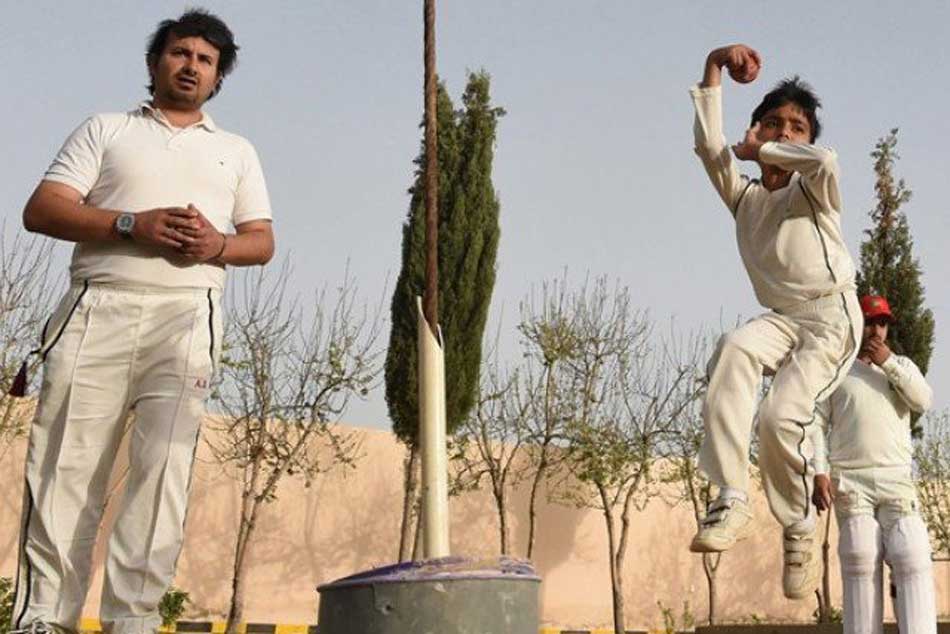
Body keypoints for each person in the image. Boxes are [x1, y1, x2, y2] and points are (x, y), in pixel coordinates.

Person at [9, 9, 274, 634]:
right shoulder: (106, 128)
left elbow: (261, 241)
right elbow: (42, 209)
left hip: (187, 317)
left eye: (205, 60)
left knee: (162, 472)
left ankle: (134, 619)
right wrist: (133, 223)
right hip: (99, 304)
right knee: (66, 464)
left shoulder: (235, 151)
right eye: (180, 53)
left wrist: (216, 244)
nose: (191, 66)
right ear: (155, 62)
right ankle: (44, 617)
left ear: (218, 78)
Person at [688, 43, 862, 600]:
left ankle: (799, 527)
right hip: (782, 319)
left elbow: (825, 161)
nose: (785, 132)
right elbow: (708, 146)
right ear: (755, 127)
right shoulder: (744, 198)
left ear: (804, 142)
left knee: (780, 416)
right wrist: (715, 62)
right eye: (773, 123)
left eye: (797, 128)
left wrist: (766, 148)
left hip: (832, 321)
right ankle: (731, 496)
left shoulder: (814, 189)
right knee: (734, 347)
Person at [812, 295, 937, 634]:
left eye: (882, 323)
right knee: (859, 551)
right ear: (857, 323)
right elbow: (815, 423)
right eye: (870, 322)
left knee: (911, 552)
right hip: (851, 480)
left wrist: (889, 363)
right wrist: (819, 471)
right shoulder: (836, 371)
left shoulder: (902, 366)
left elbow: (923, 400)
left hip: (896, 478)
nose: (876, 330)